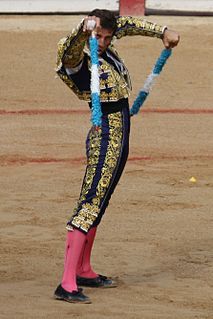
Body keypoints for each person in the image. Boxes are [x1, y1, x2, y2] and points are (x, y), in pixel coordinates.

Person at [54, 9, 180, 304]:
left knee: (102, 200)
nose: (102, 41)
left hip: (120, 133)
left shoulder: (106, 45)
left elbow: (126, 23)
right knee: (90, 201)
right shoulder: (78, 56)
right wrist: (84, 30)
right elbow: (71, 48)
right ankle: (66, 282)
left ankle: (84, 269)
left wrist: (161, 30)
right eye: (98, 36)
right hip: (104, 135)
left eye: (107, 37)